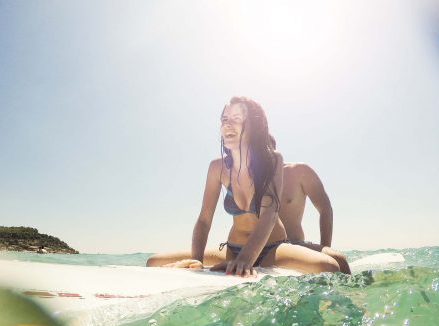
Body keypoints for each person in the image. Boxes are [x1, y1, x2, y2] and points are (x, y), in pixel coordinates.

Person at [146, 97, 341, 277]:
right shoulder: (216, 168)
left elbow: (269, 215)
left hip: (272, 247)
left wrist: (245, 261)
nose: (227, 124)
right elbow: (204, 219)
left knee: (330, 266)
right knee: (153, 261)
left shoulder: (273, 161)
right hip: (233, 247)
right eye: (224, 119)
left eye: (236, 118)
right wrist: (196, 260)